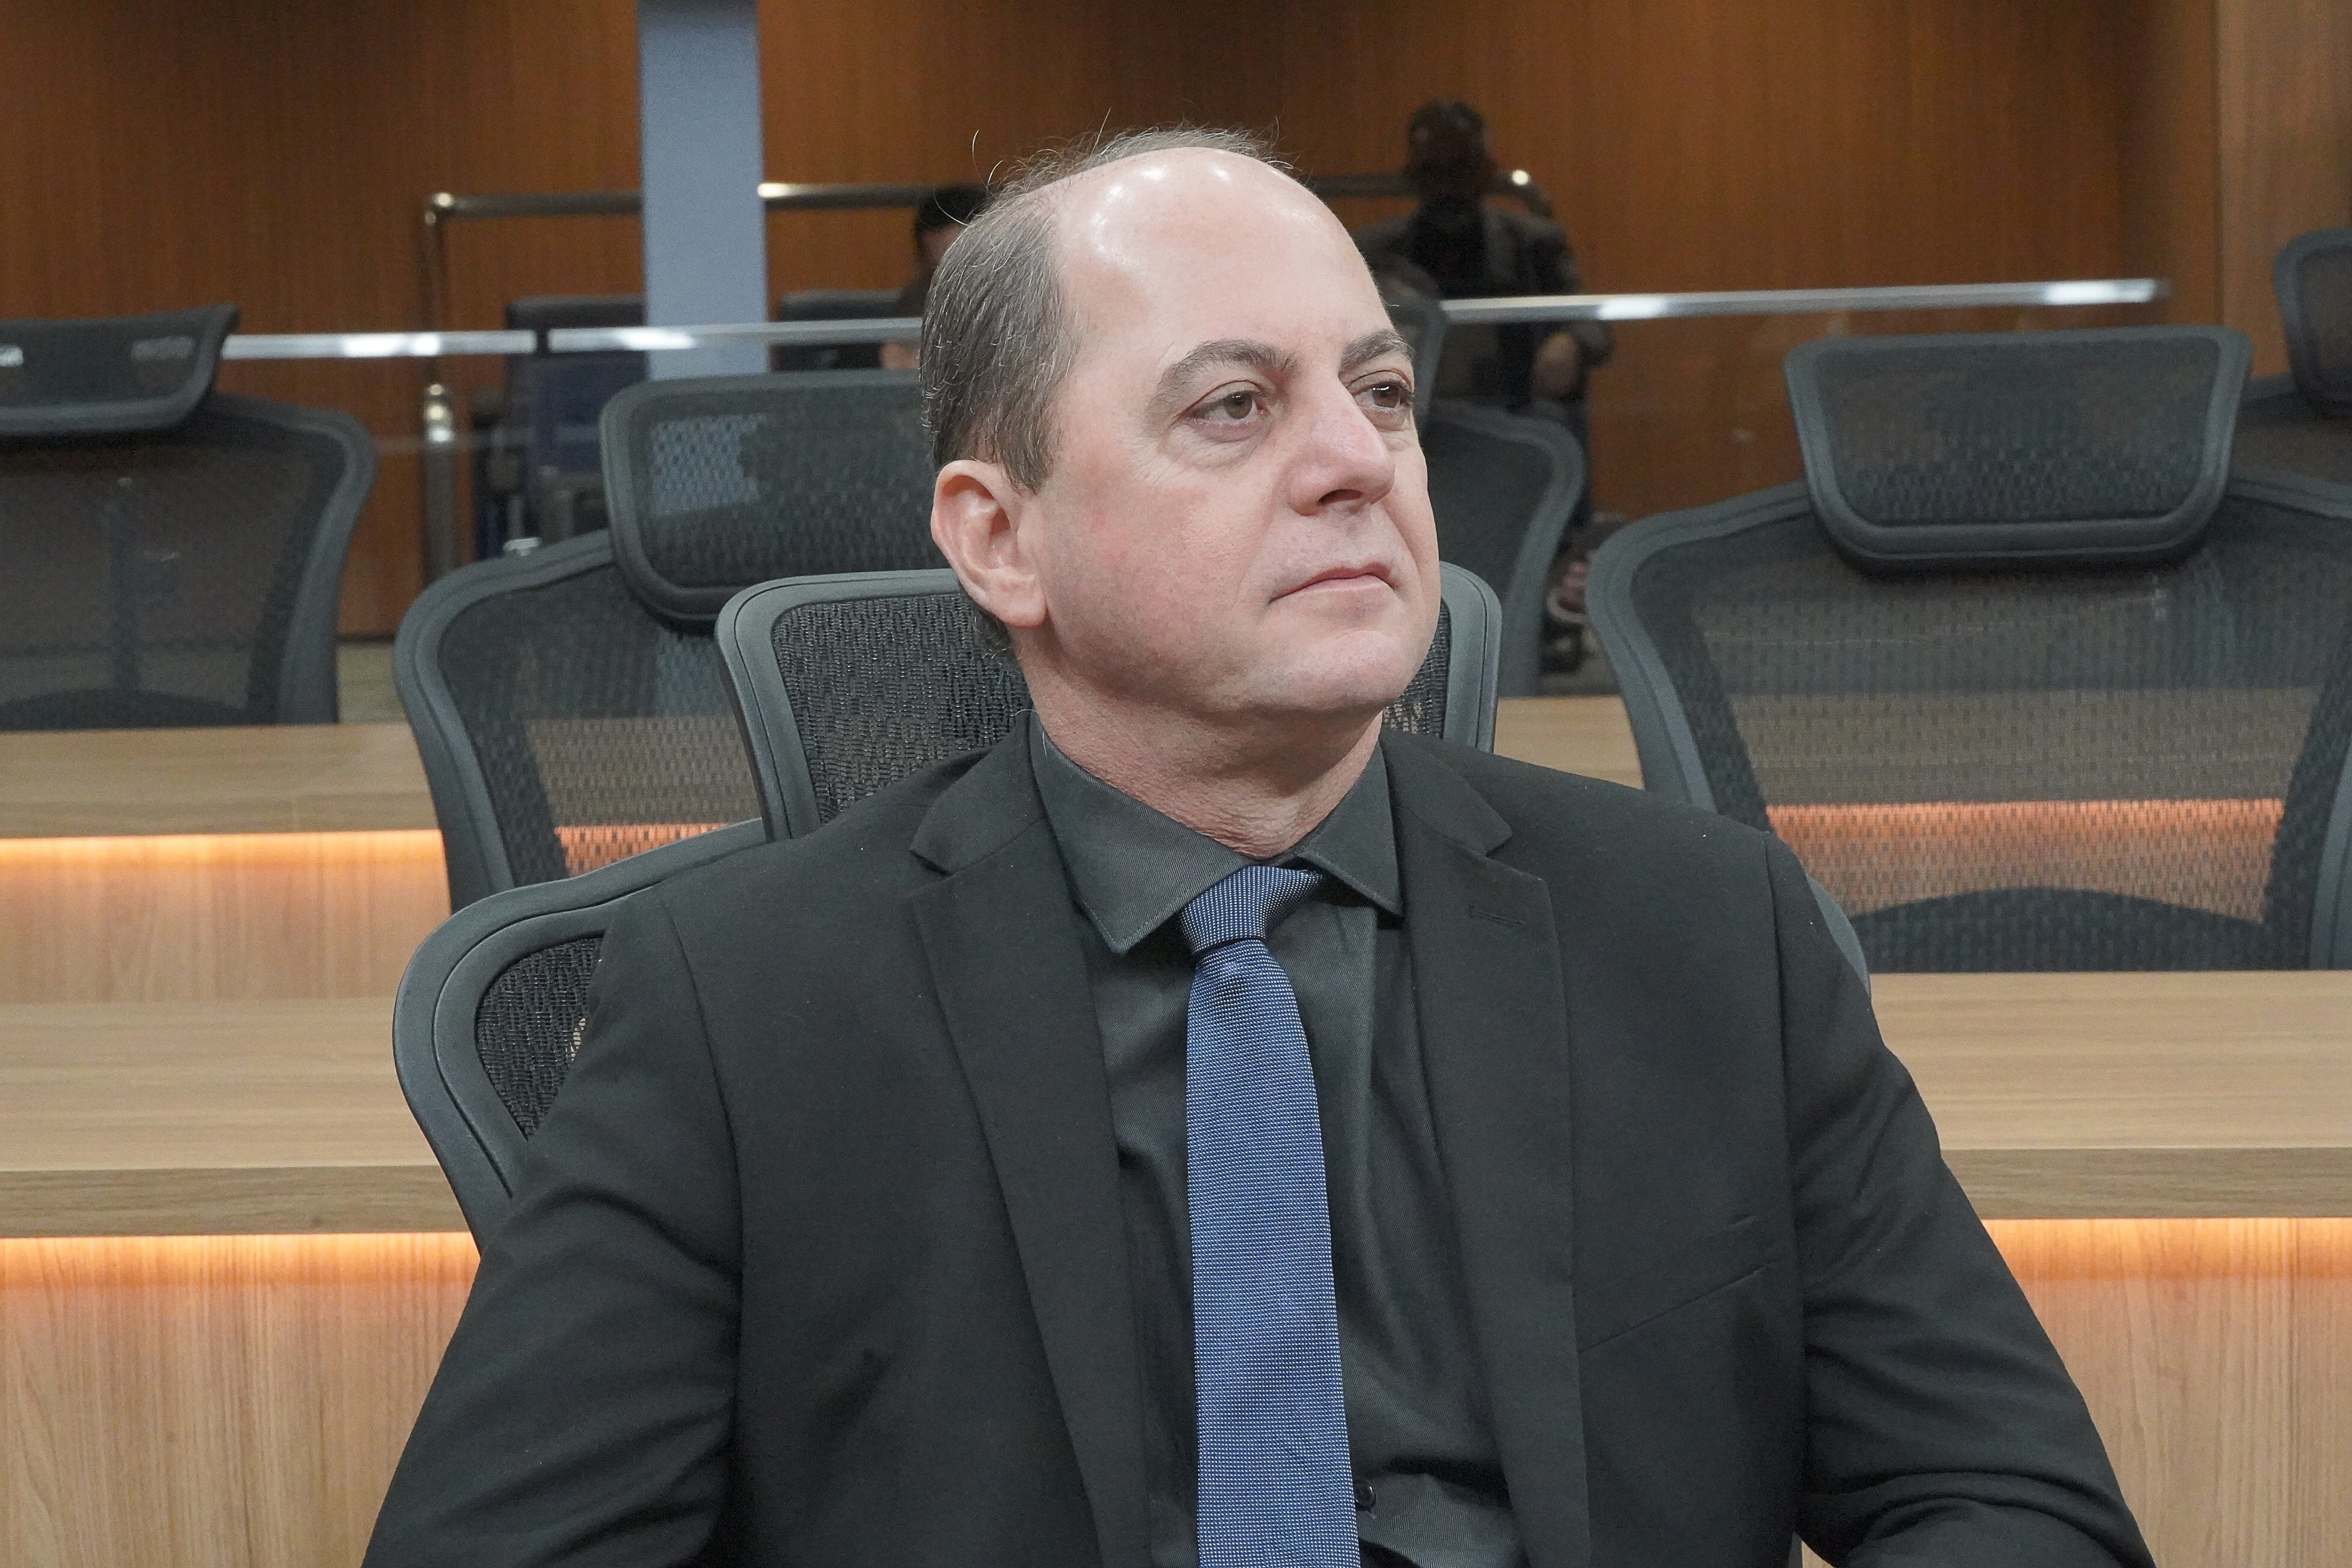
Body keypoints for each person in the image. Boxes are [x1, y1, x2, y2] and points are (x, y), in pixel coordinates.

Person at [364, 127, 2152, 1568]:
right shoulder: (742, 1008)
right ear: (1000, 538)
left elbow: (2013, 1503)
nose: (1353, 460)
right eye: (1232, 406)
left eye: (1380, 393)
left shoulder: (1703, 932)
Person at [1353, 100, 1612, 431]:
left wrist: (1571, 343)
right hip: (1413, 420)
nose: (1447, 185)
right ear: (1412, 177)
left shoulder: (1534, 244)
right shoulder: (1374, 250)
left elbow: (1593, 325)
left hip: (1515, 417)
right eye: (1433, 171)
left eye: (1461, 169)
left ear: (1487, 171)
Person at [880, 182, 988, 370]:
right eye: (939, 271)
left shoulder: (1026, 300)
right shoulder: (919, 298)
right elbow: (899, 359)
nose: (954, 284)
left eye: (968, 269)